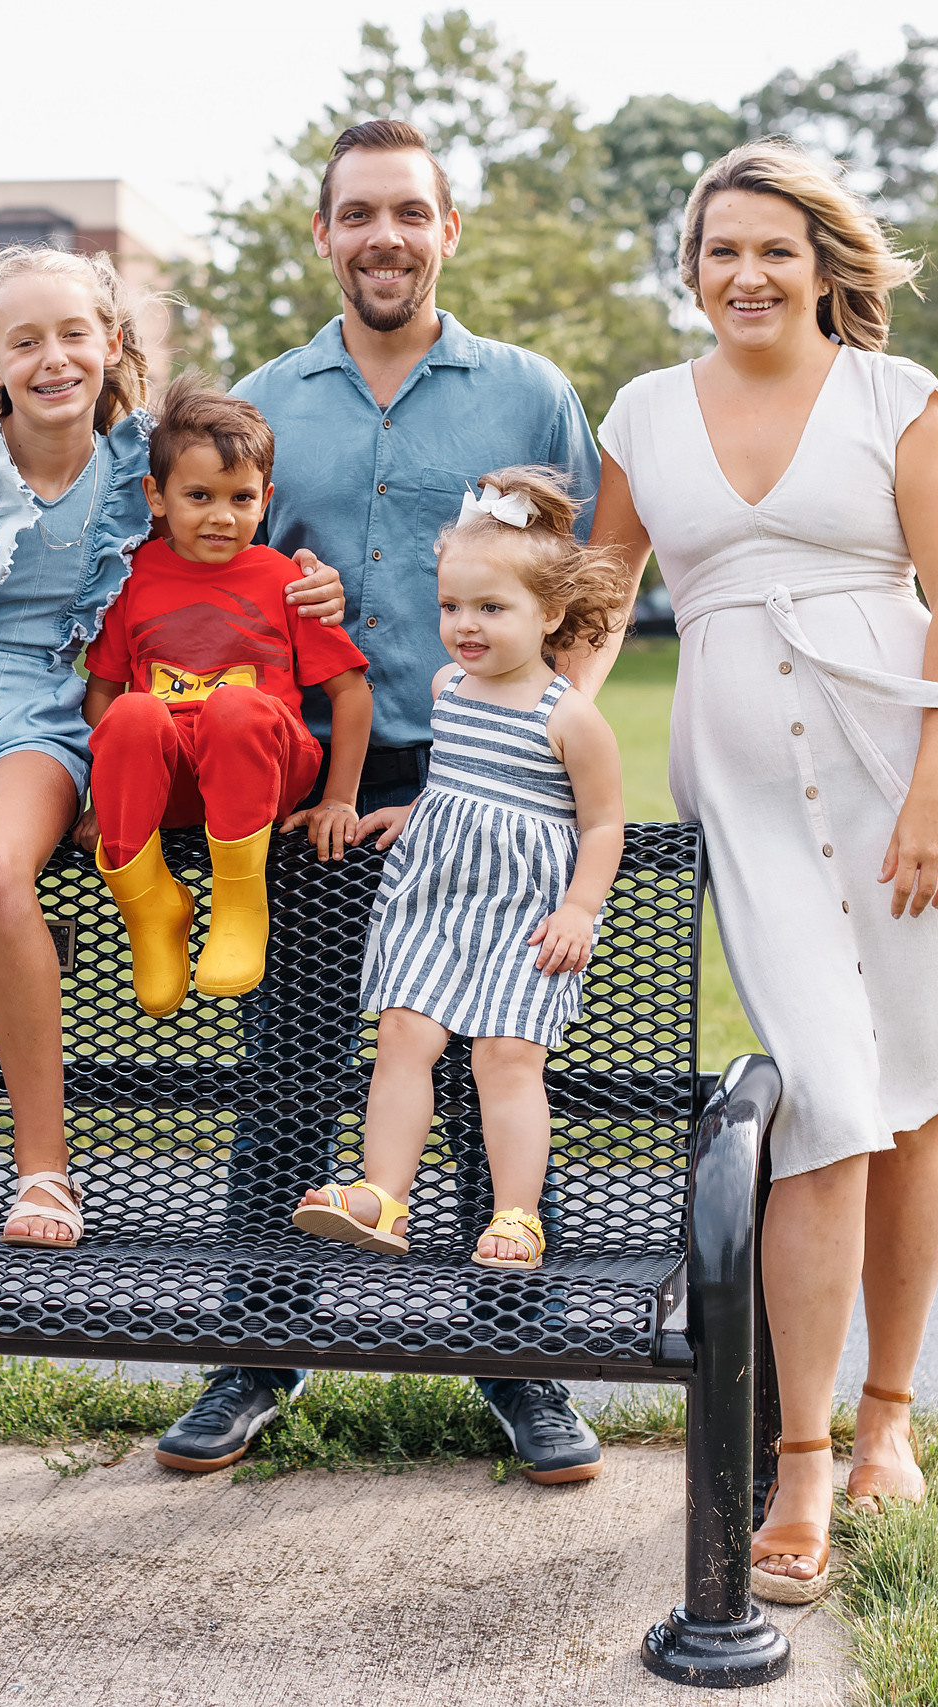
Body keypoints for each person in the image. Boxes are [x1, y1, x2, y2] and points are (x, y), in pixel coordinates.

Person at [590, 138, 938, 1603]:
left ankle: (888, 1421)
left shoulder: (898, 401)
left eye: (774, 248)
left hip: (904, 773)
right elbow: (600, 600)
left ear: (823, 262)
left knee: (905, 1098)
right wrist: (557, 711)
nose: (746, 273)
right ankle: (797, 1458)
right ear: (691, 265)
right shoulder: (645, 413)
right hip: (748, 792)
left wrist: (936, 785)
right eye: (721, 248)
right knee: (827, 1099)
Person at [151, 117, 615, 1484]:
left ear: (447, 229)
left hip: (494, 782)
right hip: (315, 783)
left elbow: (588, 585)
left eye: (409, 212)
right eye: (358, 214)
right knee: (293, 1063)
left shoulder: (528, 393)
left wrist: (556, 722)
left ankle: (522, 1364)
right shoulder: (263, 398)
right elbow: (206, 567)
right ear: (324, 236)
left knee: (496, 1064)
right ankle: (257, 1348)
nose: (385, 237)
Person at [0, 247, 343, 1248]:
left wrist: (302, 576)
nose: (52, 358)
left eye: (73, 335)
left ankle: (44, 1175)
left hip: (44, 717)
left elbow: (225, 526)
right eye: (25, 342)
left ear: (111, 346)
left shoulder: (135, 474)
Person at [292, 468, 629, 1308]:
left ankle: (517, 1213)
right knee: (403, 1032)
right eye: (452, 607)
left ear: (549, 614)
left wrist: (580, 907)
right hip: (436, 899)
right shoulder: (448, 692)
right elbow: (461, 781)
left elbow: (602, 825)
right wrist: (417, 811)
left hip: (522, 916)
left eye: (491, 608)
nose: (464, 627)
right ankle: (383, 1196)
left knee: (505, 1058)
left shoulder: (569, 717)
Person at [82, 378, 373, 1014]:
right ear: (156, 496)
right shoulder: (132, 579)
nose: (222, 515)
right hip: (171, 778)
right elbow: (101, 695)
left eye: (241, 498)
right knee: (134, 711)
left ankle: (240, 902)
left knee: (233, 708)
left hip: (263, 769)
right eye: (198, 496)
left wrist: (340, 800)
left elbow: (350, 693)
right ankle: (151, 907)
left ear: (266, 500)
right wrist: (109, 801)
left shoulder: (285, 580)